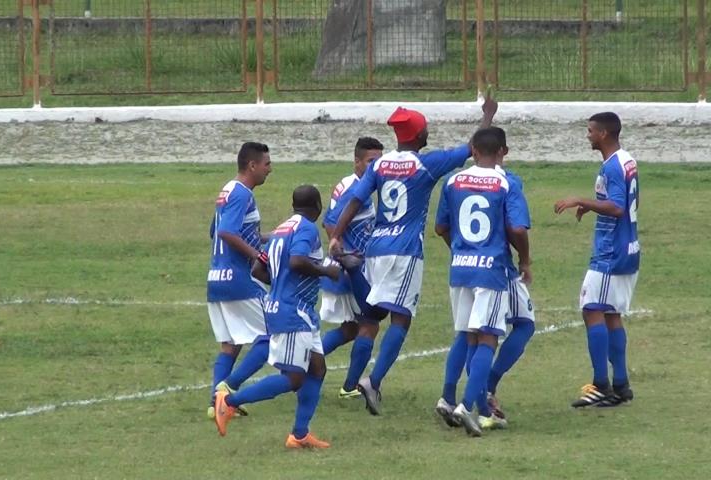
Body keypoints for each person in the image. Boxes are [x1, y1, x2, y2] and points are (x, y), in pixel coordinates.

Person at [328, 96, 499, 415]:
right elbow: (474, 148)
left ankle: (344, 372)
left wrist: (337, 234)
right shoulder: (427, 164)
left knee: (369, 319)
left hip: (375, 247)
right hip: (404, 251)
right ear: (420, 136)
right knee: (402, 319)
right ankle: (373, 382)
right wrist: (487, 116)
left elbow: (355, 198)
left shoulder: (378, 164)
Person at [214, 185, 340, 449]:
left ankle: (300, 434)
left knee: (317, 368)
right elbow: (296, 262)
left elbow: (259, 268)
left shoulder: (281, 230)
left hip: (294, 310)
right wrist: (327, 272)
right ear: (316, 206)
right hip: (293, 312)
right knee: (294, 379)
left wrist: (280, 285)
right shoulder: (306, 228)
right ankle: (228, 402)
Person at [433, 127, 531, 436]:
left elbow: (440, 227)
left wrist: (462, 250)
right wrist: (525, 259)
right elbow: (517, 229)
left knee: (465, 334)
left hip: (460, 268)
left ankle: (447, 399)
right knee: (487, 337)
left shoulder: (452, 181)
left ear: (473, 150)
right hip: (491, 270)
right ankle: (467, 406)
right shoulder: (507, 182)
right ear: (504, 151)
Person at [553, 112, 640, 408]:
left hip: (610, 252)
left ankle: (601, 385)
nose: (587, 135)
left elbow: (616, 207)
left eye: (590, 131)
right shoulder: (626, 160)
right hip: (628, 247)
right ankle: (621, 384)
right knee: (611, 313)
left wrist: (582, 201)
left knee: (592, 309)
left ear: (603, 134)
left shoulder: (613, 166)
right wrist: (593, 207)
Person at [205, 142, 272, 420]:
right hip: (237, 278)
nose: (271, 169)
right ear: (252, 166)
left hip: (216, 278)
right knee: (273, 335)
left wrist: (273, 237)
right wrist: (258, 255)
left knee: (230, 345)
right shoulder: (242, 194)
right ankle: (228, 389)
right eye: (267, 164)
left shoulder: (227, 191)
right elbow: (226, 233)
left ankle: (215, 405)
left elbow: (215, 230)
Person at [319, 137, 390, 399]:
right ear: (357, 161)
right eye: (372, 161)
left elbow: (328, 220)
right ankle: (350, 387)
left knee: (350, 329)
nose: (377, 166)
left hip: (345, 268)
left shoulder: (350, 184)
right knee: (369, 325)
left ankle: (304, 360)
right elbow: (331, 225)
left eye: (380, 161)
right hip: (350, 270)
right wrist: (344, 253)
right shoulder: (355, 190)